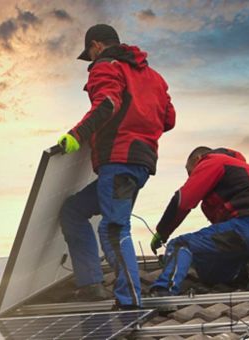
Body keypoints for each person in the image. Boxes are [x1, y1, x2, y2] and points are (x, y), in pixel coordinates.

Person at [57, 24, 176, 309]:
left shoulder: (105, 66)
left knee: (113, 229)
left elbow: (107, 102)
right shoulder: (154, 77)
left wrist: (76, 136)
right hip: (141, 163)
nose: (91, 58)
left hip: (119, 159)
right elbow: (169, 119)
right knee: (73, 210)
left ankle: (129, 300)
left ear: (96, 46)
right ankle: (90, 284)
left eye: (90, 52)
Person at [150, 147, 249, 296]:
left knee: (181, 244)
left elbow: (182, 201)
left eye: (189, 171)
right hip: (243, 237)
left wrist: (162, 232)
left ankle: (164, 291)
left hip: (246, 225)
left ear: (198, 159)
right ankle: (239, 277)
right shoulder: (242, 172)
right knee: (212, 274)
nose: (190, 176)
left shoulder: (213, 161)